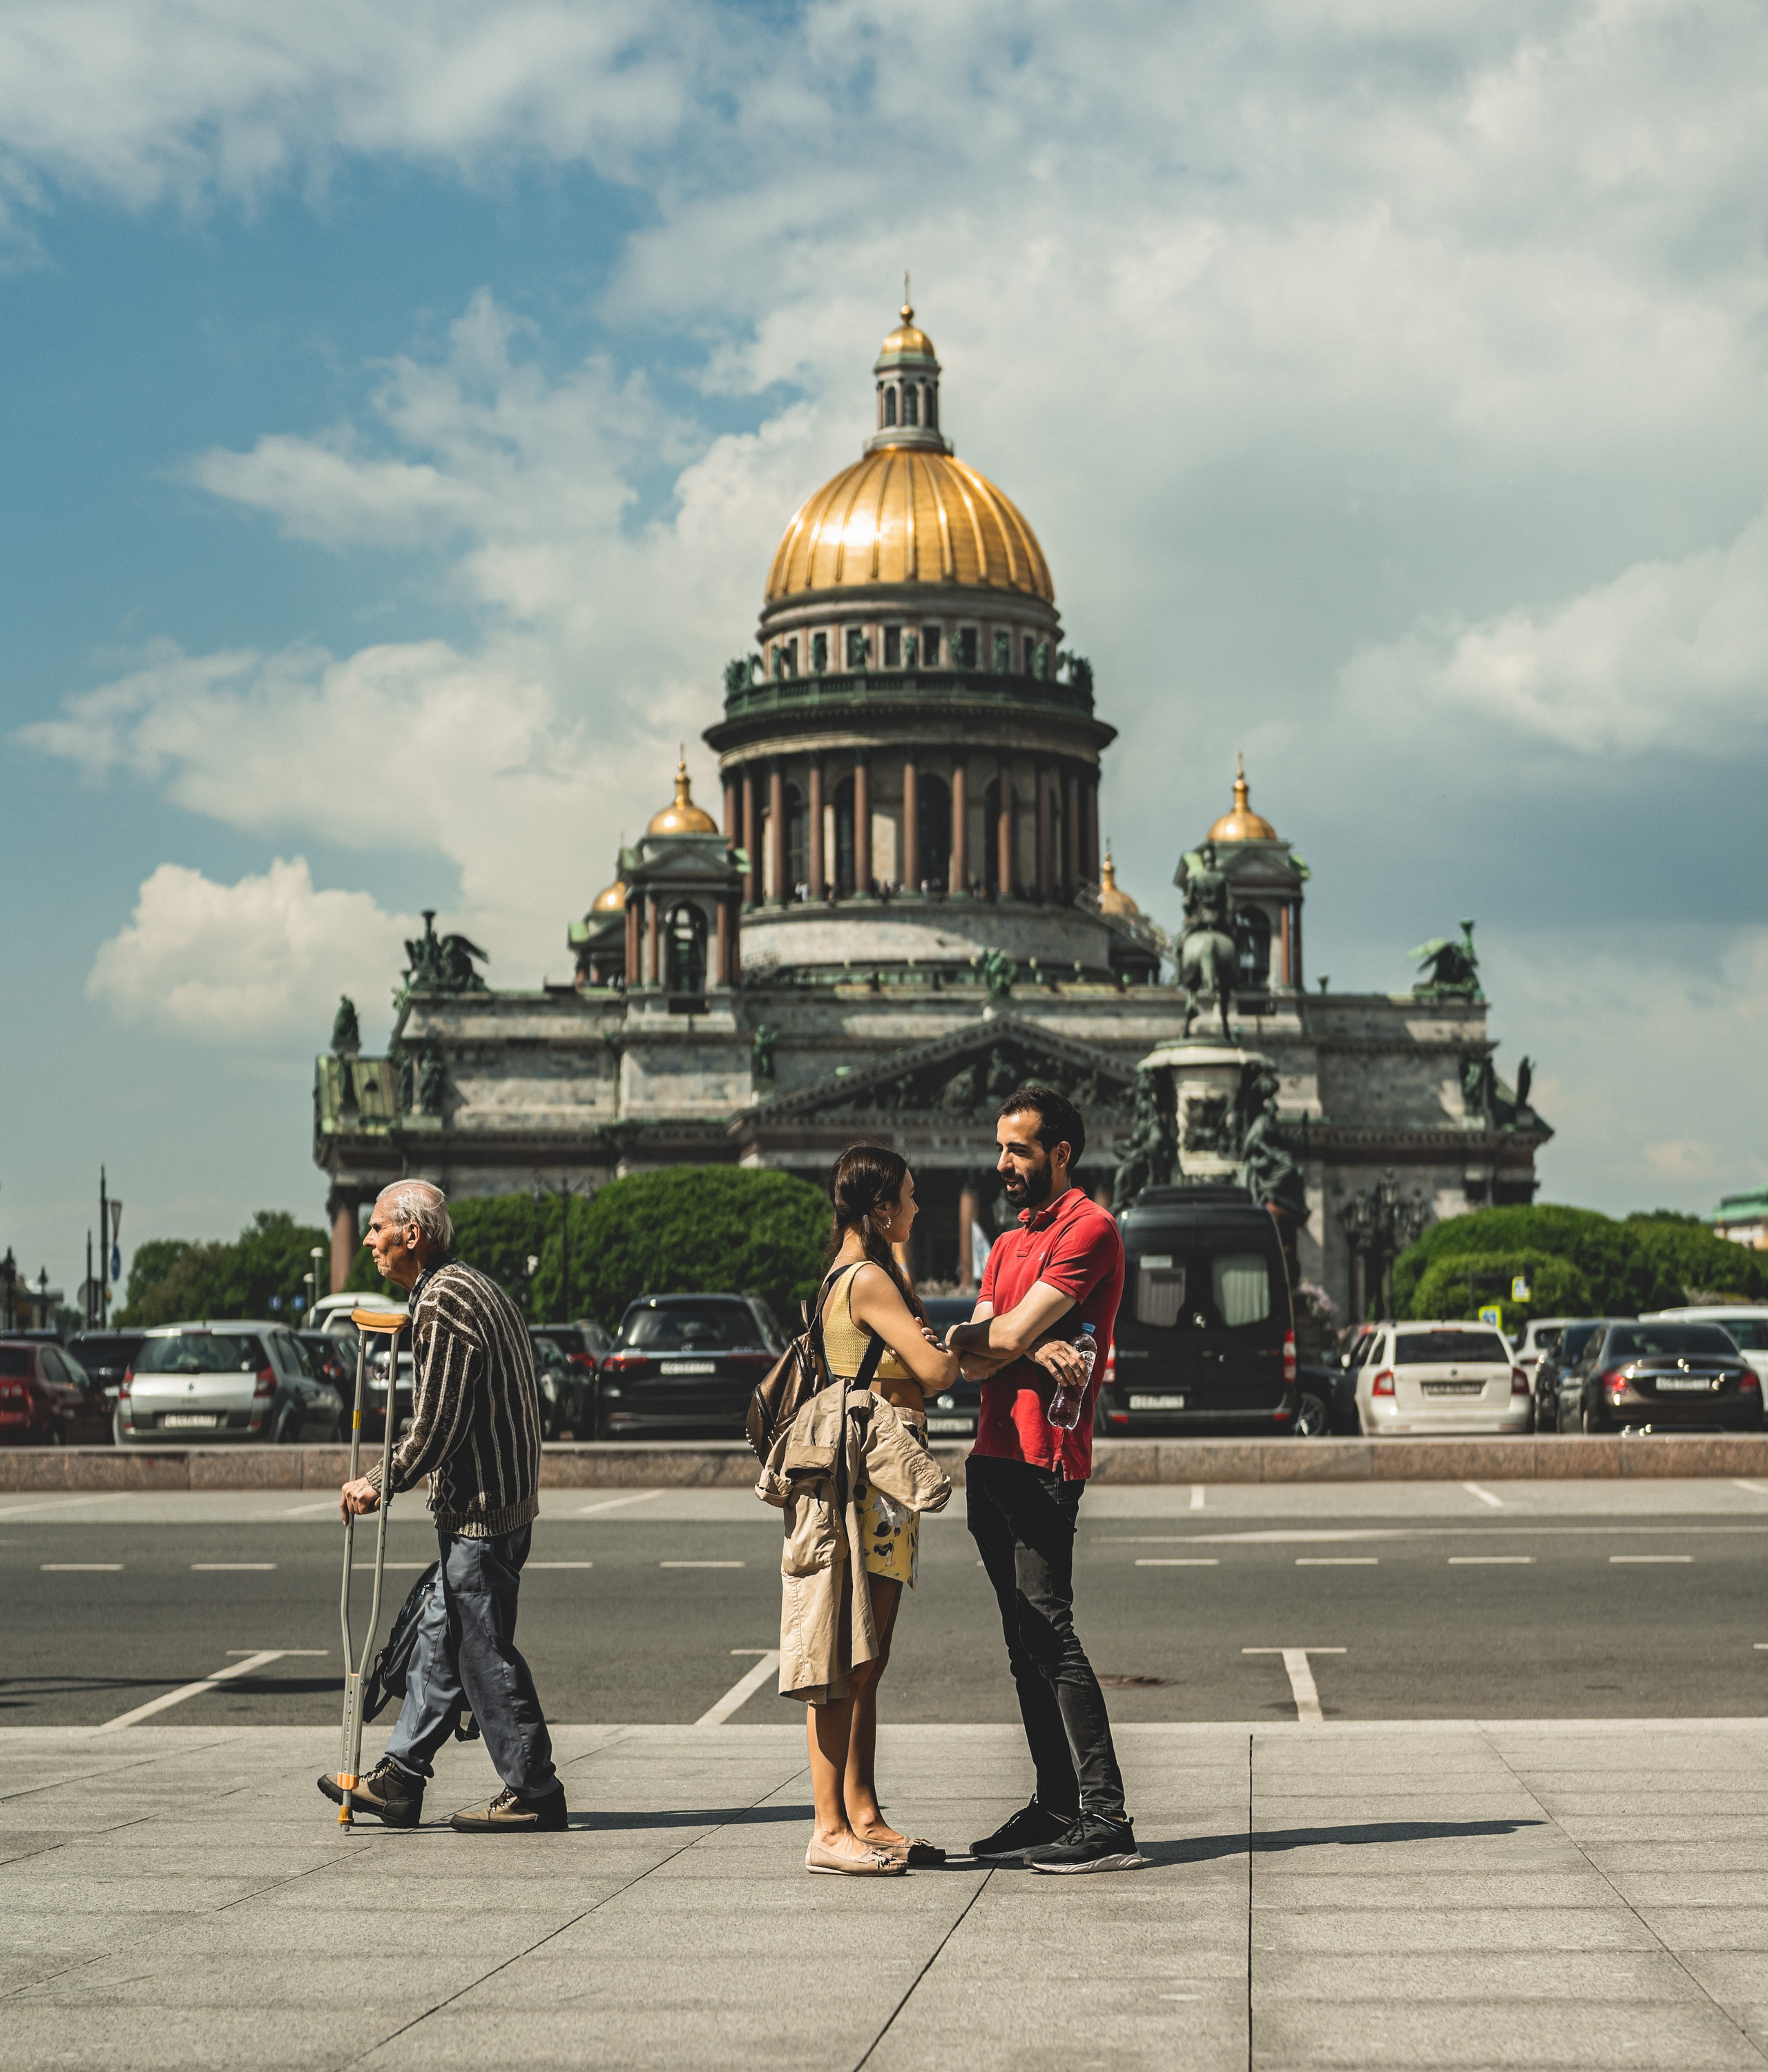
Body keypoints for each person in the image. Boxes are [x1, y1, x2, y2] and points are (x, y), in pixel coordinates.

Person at [317, 1179, 566, 1834]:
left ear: (413, 1235)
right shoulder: (466, 1287)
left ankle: (534, 1788)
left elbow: (437, 1425)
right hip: (497, 1504)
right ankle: (400, 1778)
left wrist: (379, 1480)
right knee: (440, 1636)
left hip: (483, 1513)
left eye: (377, 1228)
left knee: (482, 1651)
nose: (368, 1240)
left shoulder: (446, 1304)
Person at [945, 1084, 1138, 1873]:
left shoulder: (1089, 1229)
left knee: (1049, 1631)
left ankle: (1105, 1816)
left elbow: (1001, 1332)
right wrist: (1013, 1345)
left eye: (1018, 1150)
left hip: (1043, 1461)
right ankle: (1056, 1803)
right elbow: (966, 1354)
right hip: (991, 1458)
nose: (1002, 1165)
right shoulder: (1008, 1242)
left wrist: (1003, 1340)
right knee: (1021, 1640)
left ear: (1061, 1152)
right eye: (1000, 1149)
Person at [801, 1146, 963, 1874]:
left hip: (883, 1484)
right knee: (845, 1654)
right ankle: (829, 1828)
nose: (918, 1208)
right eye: (909, 1195)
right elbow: (932, 1371)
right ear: (879, 1210)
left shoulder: (862, 1273)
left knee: (869, 1656)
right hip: (869, 1482)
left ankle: (862, 1811)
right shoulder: (866, 1278)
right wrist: (956, 1345)